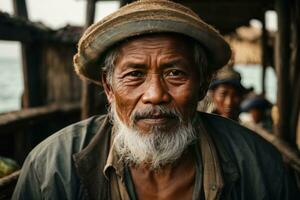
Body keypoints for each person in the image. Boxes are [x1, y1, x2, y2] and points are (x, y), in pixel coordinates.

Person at [13, 0, 298, 199]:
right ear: (109, 88)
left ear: (202, 86)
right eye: (135, 74)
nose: (155, 95)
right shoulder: (51, 168)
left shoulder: (260, 166)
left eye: (175, 73)